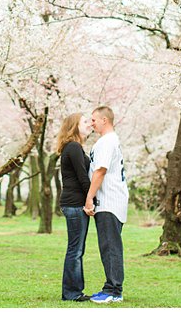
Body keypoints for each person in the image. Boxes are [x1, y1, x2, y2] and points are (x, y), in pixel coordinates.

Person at [84, 105, 128, 304]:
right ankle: (112, 288)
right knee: (108, 245)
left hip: (109, 201)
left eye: (94, 119)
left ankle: (113, 290)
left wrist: (89, 198)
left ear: (104, 120)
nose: (91, 123)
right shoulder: (110, 141)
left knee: (110, 246)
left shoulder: (107, 142)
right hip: (111, 201)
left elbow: (100, 171)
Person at [55, 112, 94, 302]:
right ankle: (72, 293)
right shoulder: (73, 147)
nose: (89, 124)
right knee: (75, 250)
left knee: (77, 249)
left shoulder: (74, 147)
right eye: (85, 122)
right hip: (75, 204)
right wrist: (91, 200)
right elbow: (82, 177)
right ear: (74, 126)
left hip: (74, 203)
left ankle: (73, 291)